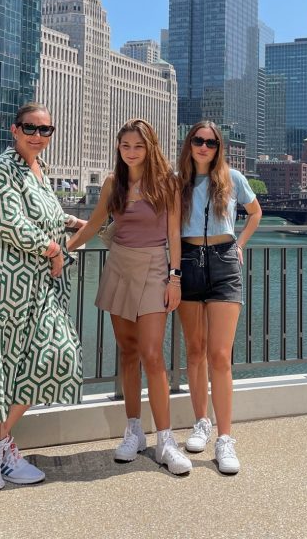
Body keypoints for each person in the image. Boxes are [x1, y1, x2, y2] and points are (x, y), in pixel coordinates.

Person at [0, 102, 86, 489]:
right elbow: (9, 220)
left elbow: (42, 213)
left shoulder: (37, 171)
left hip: (34, 285)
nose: (38, 136)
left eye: (46, 130)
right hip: (1, 283)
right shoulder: (1, 168)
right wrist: (55, 249)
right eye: (31, 128)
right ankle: (2, 445)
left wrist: (70, 221)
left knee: (55, 353)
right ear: (15, 130)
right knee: (6, 358)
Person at [66, 119, 192, 476]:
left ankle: (166, 440)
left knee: (153, 354)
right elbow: (93, 225)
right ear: (119, 149)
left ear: (150, 147)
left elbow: (174, 236)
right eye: (125, 146)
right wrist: (64, 250)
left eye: (138, 146)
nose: (132, 152)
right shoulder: (113, 183)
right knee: (128, 353)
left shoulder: (167, 183)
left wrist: (175, 278)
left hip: (155, 268)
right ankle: (133, 429)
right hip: (119, 266)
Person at [175, 121, 262, 475]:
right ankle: (201, 421)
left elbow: (255, 213)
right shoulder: (177, 181)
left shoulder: (232, 177)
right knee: (194, 351)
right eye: (198, 140)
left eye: (211, 142)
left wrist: (239, 245)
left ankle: (225, 437)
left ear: (218, 146)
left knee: (220, 356)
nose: (204, 146)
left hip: (224, 263)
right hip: (187, 262)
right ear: (190, 143)